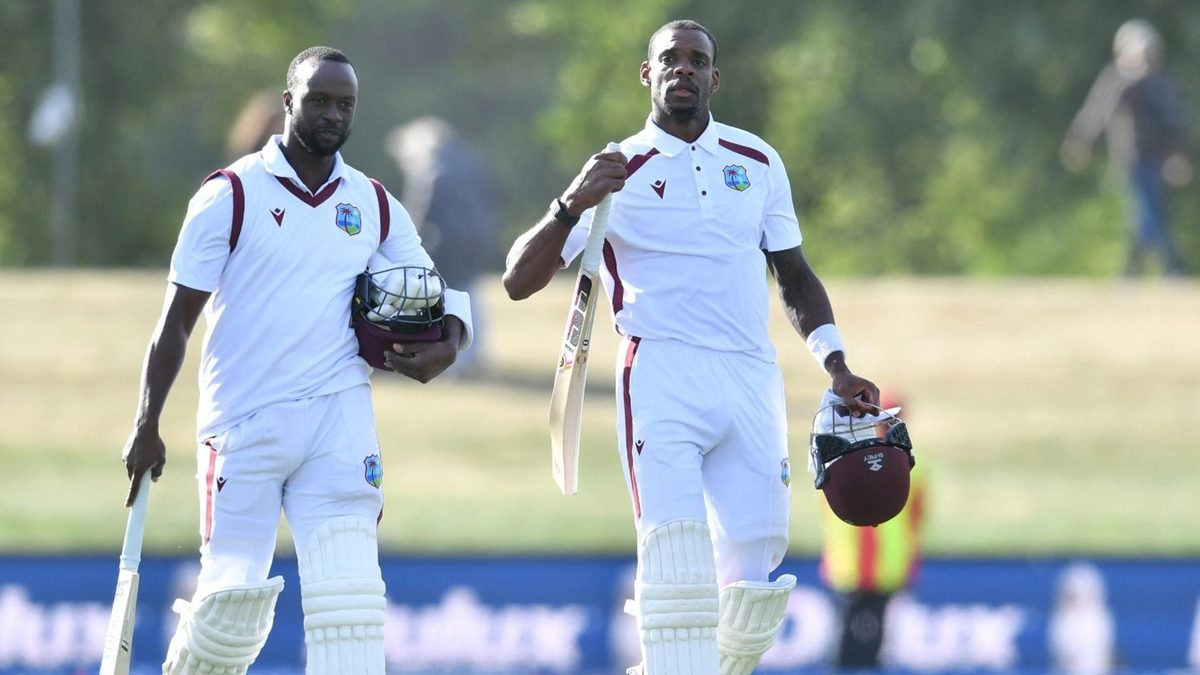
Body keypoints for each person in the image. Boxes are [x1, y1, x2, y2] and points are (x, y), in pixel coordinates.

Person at [502, 20, 879, 675]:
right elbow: (517, 280)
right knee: (675, 569)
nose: (683, 69)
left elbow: (794, 277)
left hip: (749, 377)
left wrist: (836, 363)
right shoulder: (620, 168)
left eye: (696, 60)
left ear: (714, 77)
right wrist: (572, 202)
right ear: (646, 75)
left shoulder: (757, 162)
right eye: (668, 60)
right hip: (660, 374)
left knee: (754, 588)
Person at [120, 46, 473, 675]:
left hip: (339, 420)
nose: (333, 114)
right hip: (242, 423)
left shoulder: (373, 201)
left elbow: (429, 289)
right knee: (227, 619)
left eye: (346, 104)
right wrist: (147, 424)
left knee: (352, 614)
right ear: (289, 101)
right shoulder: (229, 194)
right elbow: (175, 322)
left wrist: (453, 338)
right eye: (319, 100)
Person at [1061, 18, 1192, 276]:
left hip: (1155, 158)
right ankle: (1164, 267)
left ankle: (1146, 268)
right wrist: (1080, 140)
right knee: (1145, 211)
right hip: (1128, 157)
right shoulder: (1115, 79)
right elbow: (1096, 112)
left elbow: (1174, 120)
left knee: (1146, 212)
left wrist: (1177, 156)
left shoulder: (1160, 82)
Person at [818, 391, 926, 669]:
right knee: (845, 641)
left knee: (874, 639)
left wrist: (910, 558)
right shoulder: (848, 456)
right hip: (852, 563)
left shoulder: (847, 456)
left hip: (884, 563)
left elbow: (916, 518)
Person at [387, 117, 499, 377]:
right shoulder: (470, 161)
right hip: (478, 238)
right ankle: (475, 355)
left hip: (448, 243)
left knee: (449, 297)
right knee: (470, 292)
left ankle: (455, 361)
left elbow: (418, 214)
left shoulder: (430, 168)